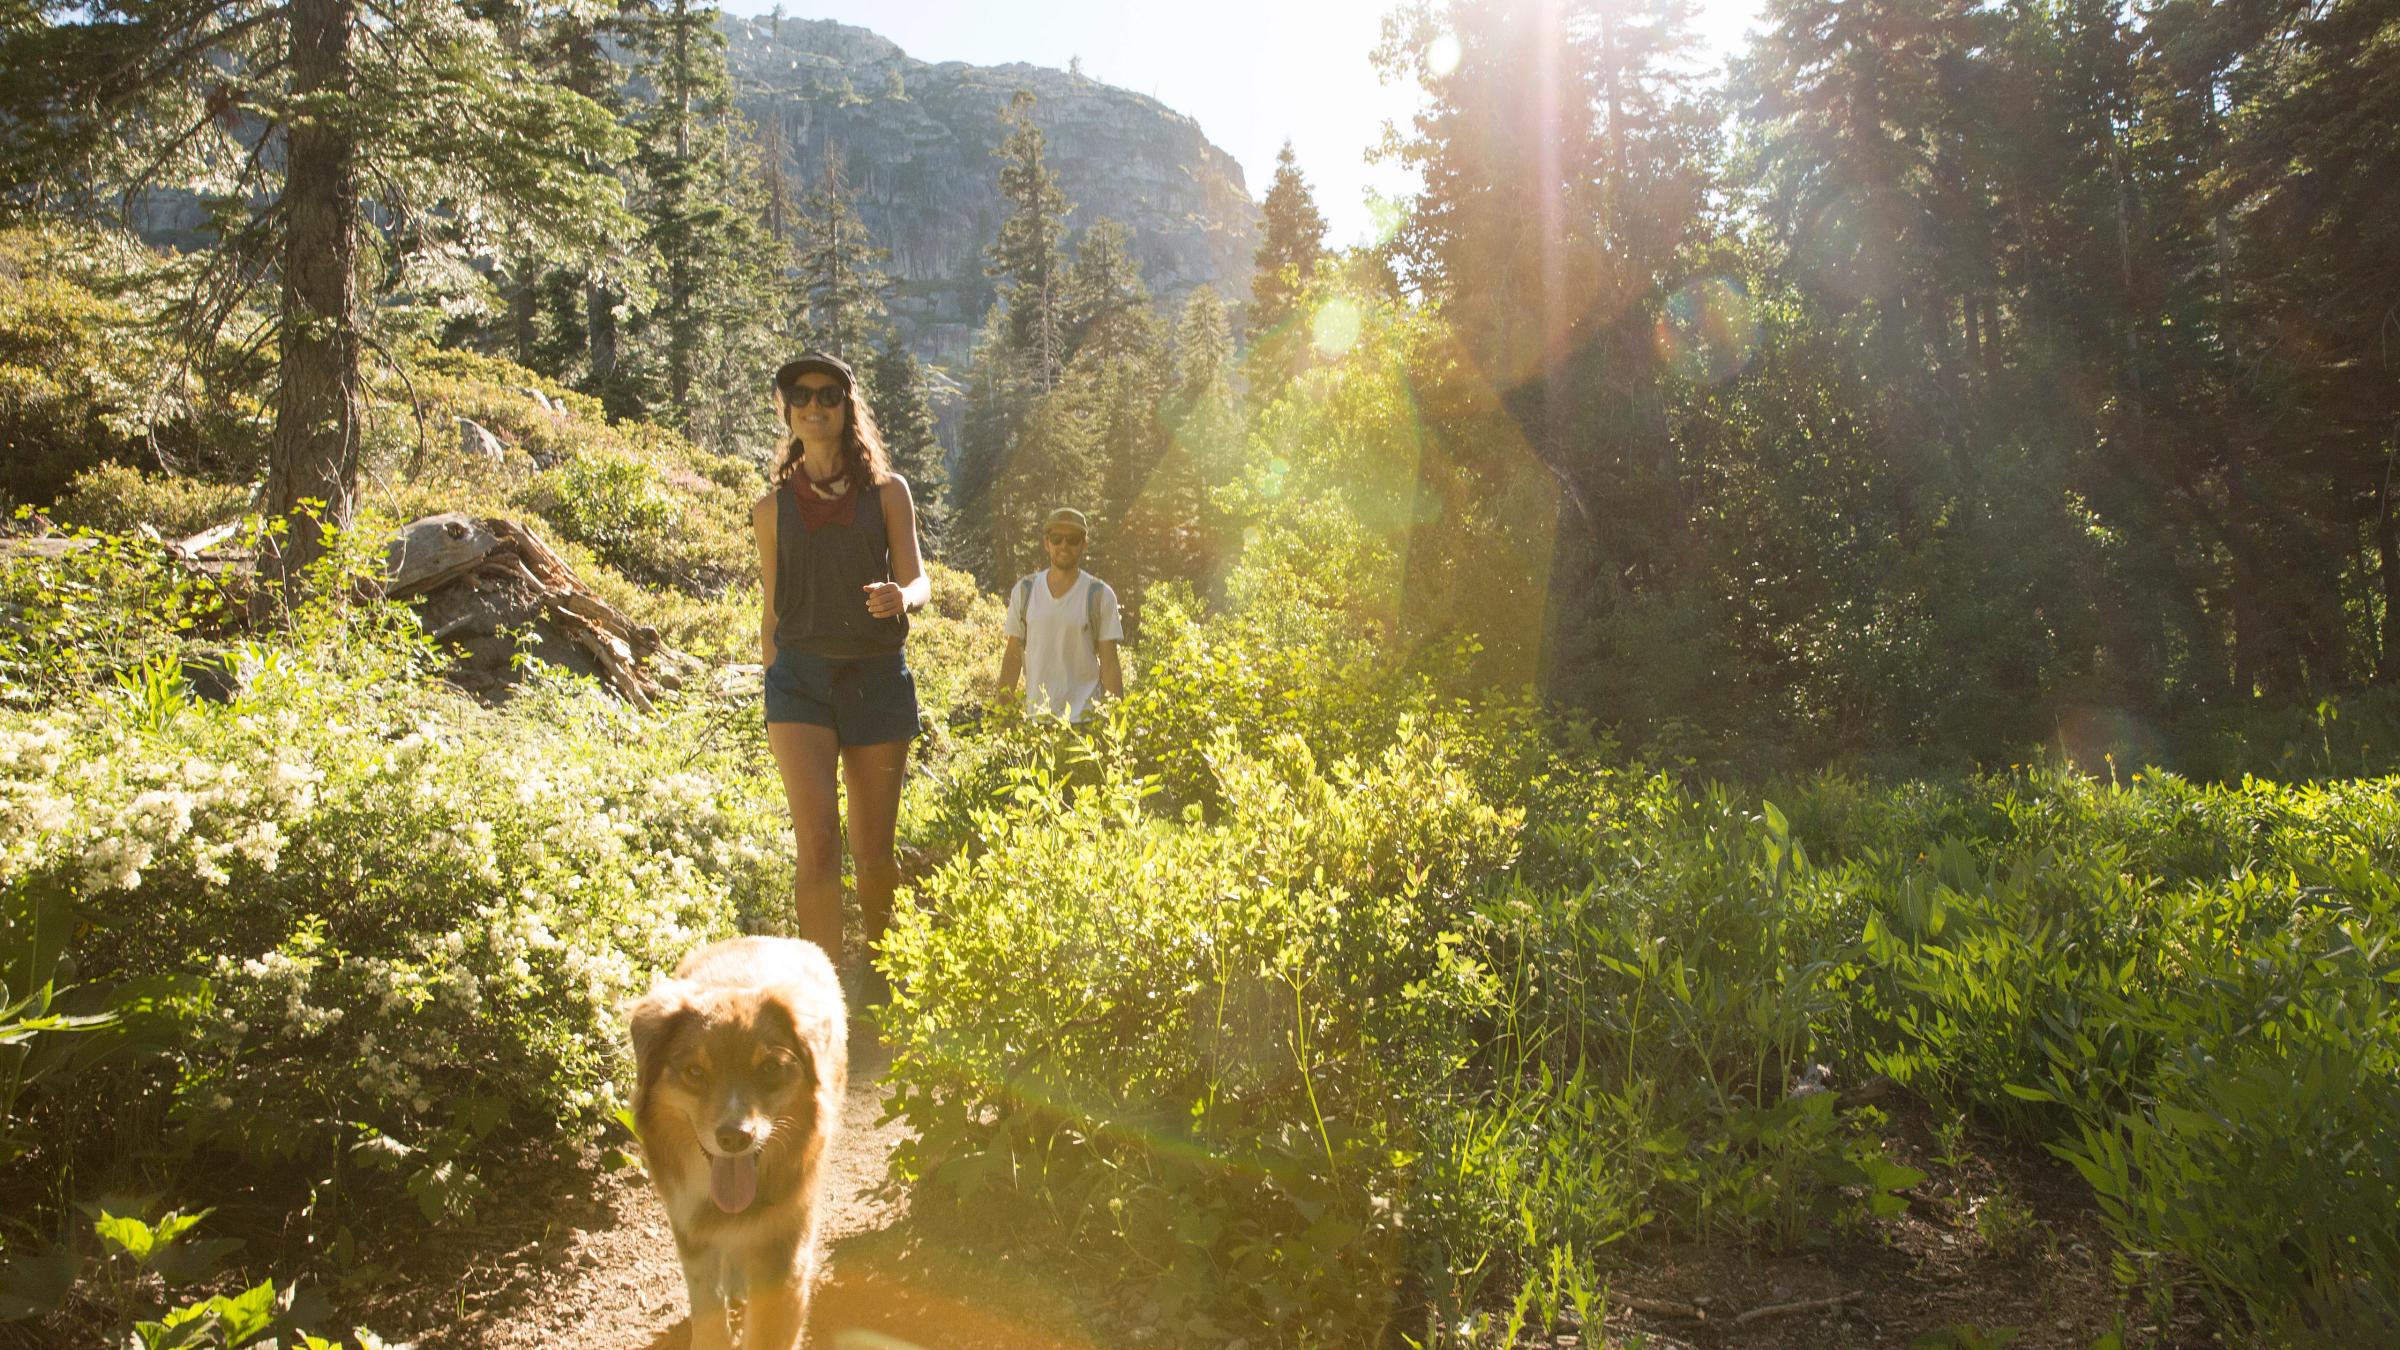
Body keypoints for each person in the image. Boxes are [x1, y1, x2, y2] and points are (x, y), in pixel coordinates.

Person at [753, 351, 929, 976]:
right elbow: (772, 607)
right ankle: (821, 995)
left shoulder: (887, 493)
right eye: (799, 395)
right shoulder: (770, 509)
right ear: (786, 409)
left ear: (847, 407)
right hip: (799, 683)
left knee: (874, 851)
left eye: (828, 395)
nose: (813, 406)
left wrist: (901, 596)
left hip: (876, 680)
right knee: (818, 847)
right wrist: (772, 673)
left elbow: (918, 579)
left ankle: (882, 979)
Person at [998, 507, 1124, 721]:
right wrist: (1002, 718)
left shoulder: (1100, 595)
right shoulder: (1024, 591)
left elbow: (1110, 663)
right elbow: (1012, 657)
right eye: (1056, 538)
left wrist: (1117, 725)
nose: (1064, 545)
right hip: (1038, 722)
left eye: (1073, 539)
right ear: (1046, 543)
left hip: (1086, 723)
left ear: (1084, 543)